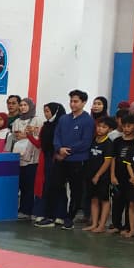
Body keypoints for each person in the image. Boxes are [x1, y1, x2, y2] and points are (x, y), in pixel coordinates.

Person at [36, 90, 93, 230]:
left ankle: (69, 219)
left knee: (75, 190)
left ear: (84, 102)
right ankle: (51, 216)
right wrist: (59, 148)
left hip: (77, 160)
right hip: (61, 159)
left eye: (76, 101)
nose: (73, 104)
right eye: (71, 101)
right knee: (54, 186)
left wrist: (68, 151)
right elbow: (57, 136)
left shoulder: (88, 120)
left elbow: (86, 142)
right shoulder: (64, 119)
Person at [83, 115, 115, 234]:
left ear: (109, 129)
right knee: (94, 199)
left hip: (103, 177)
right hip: (90, 175)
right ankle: (94, 223)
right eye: (99, 126)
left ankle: (102, 225)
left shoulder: (108, 143)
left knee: (104, 200)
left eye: (104, 127)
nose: (100, 129)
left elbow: (107, 162)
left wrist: (98, 175)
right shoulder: (93, 140)